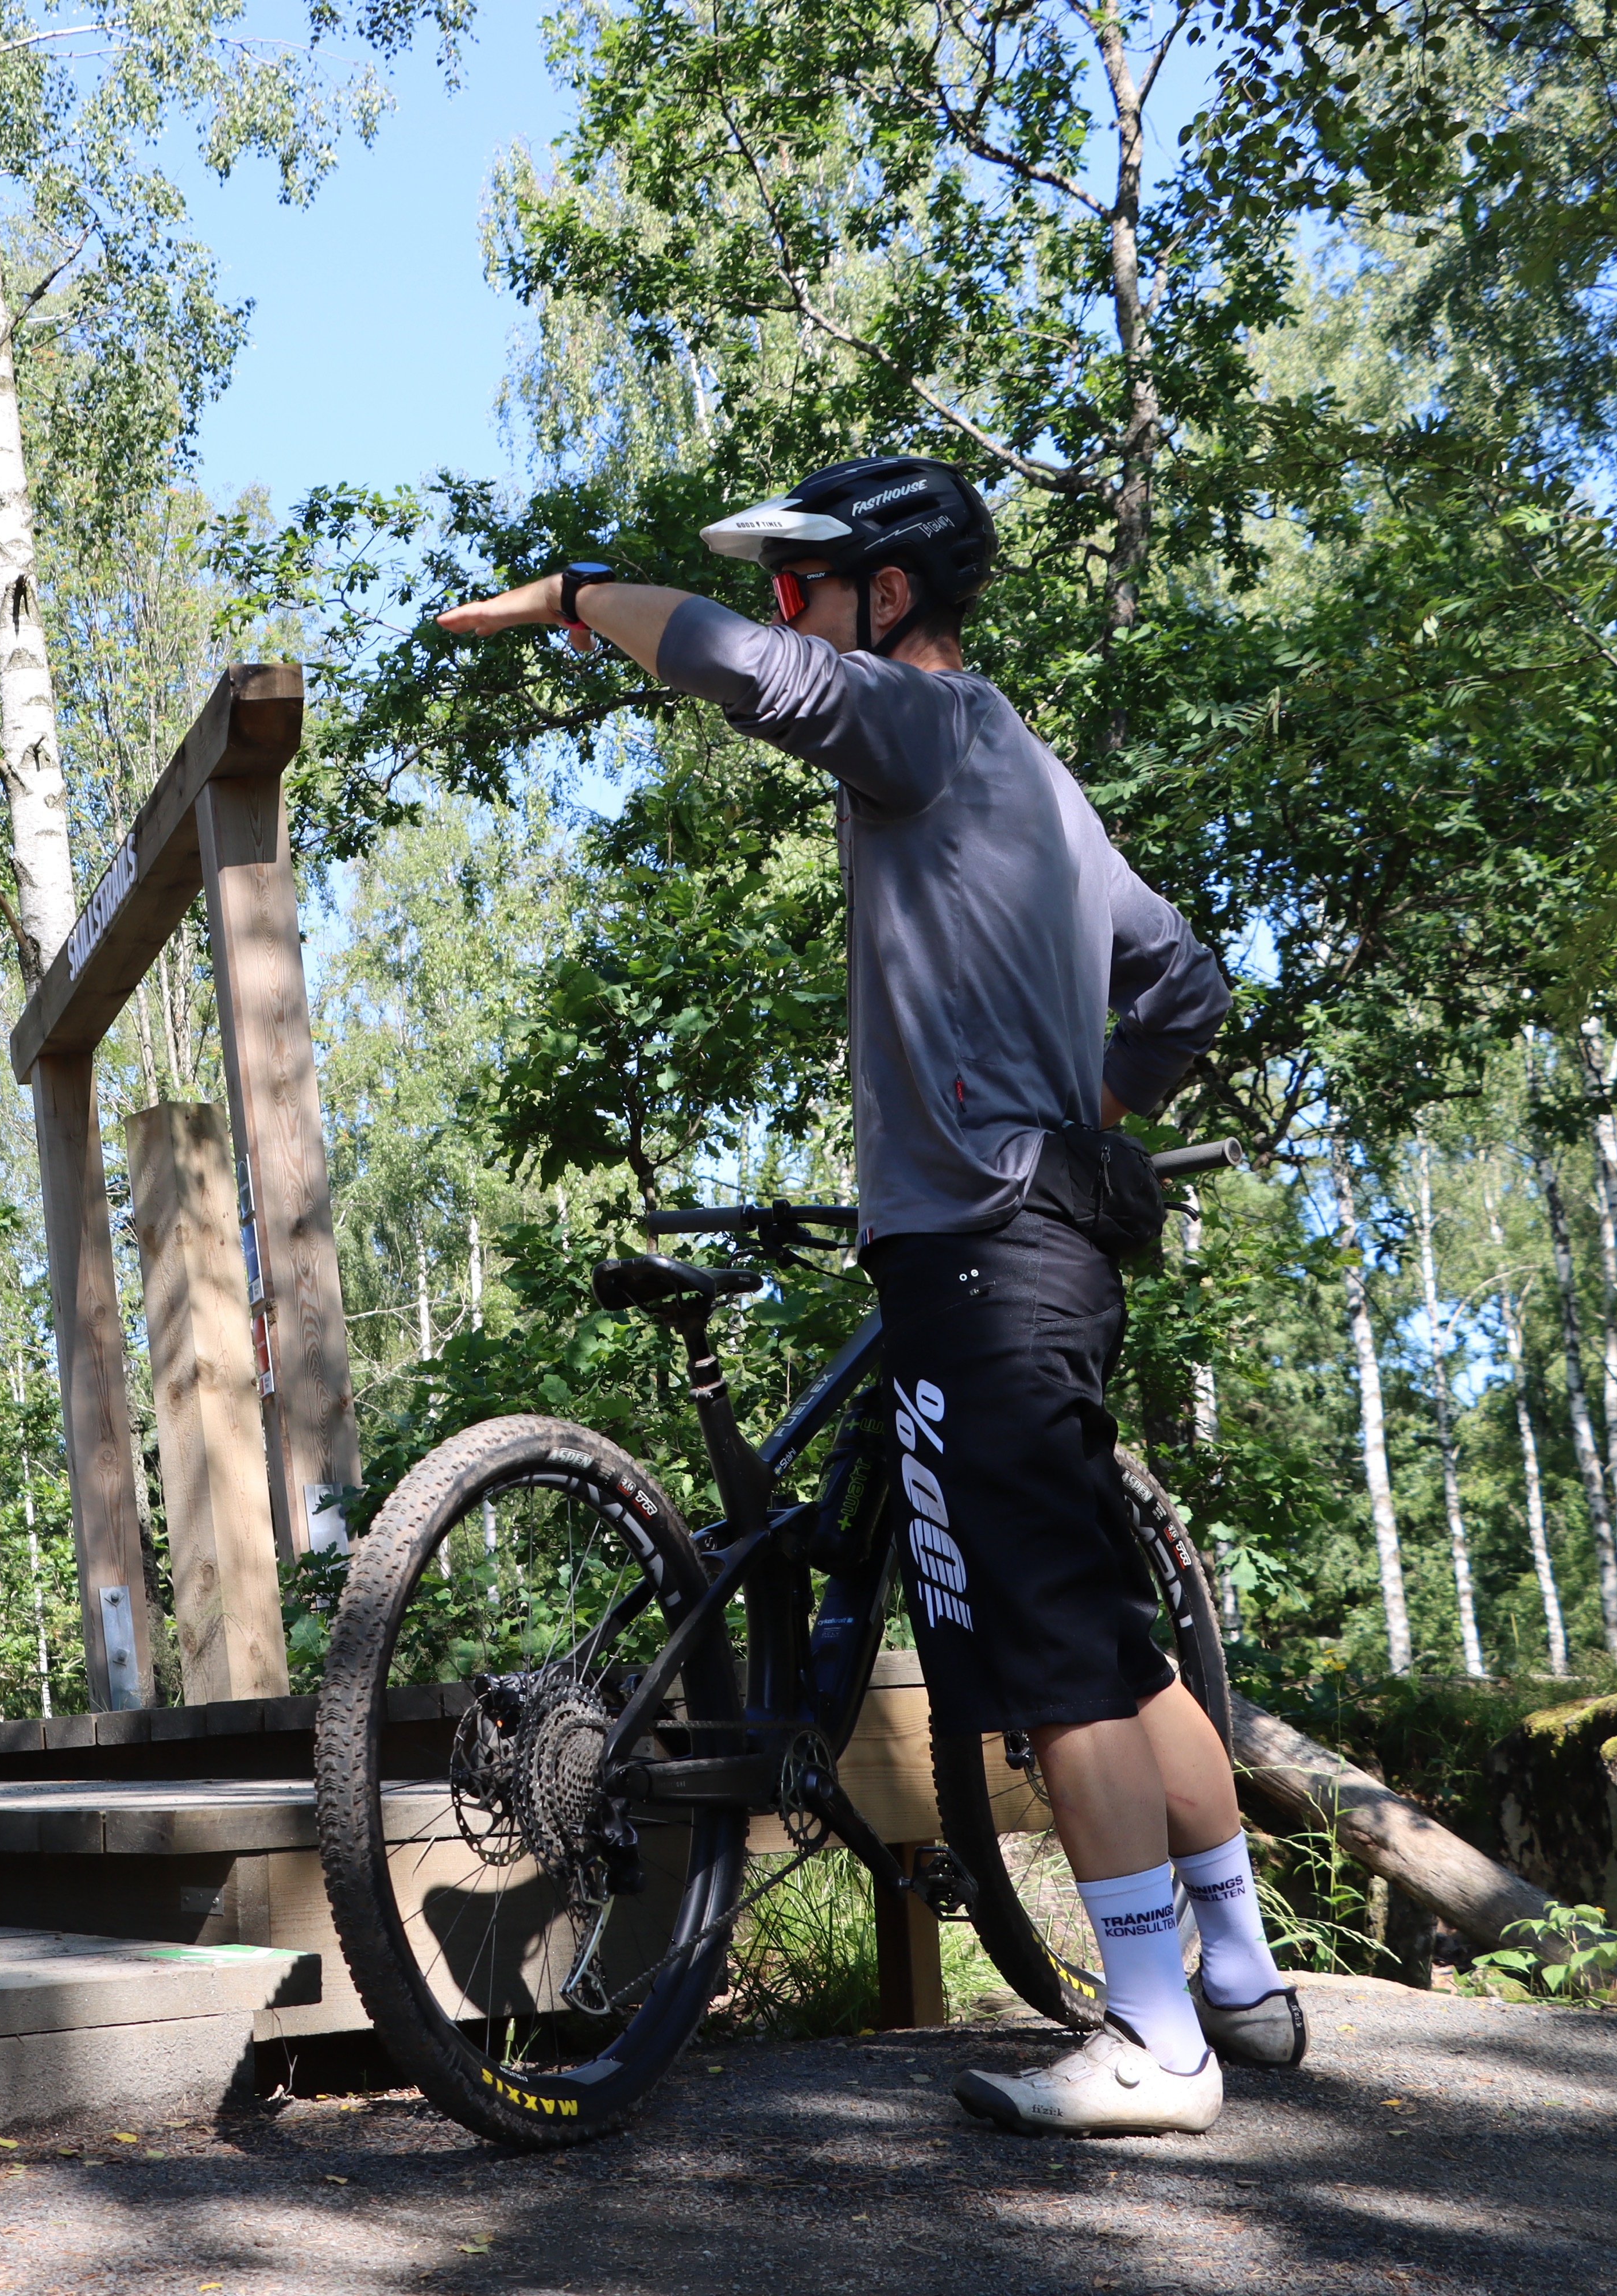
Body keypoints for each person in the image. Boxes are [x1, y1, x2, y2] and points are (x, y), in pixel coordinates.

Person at [437, 457, 1294, 2138]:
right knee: (1117, 1641)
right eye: (776, 593)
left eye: (798, 585)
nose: (785, 615)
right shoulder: (1038, 781)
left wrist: (574, 597)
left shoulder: (930, 728)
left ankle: (1154, 2039)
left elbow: (747, 677)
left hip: (978, 1254)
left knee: (1051, 1659)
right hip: (1044, 1241)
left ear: (883, 595)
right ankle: (1239, 1981)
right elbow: (1185, 988)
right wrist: (1077, 1112)